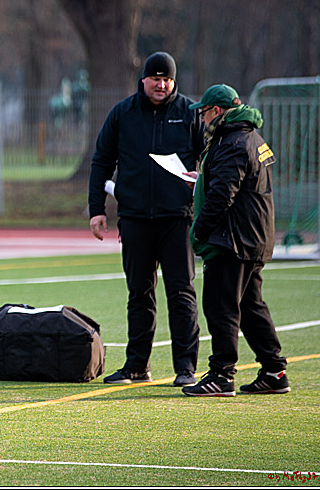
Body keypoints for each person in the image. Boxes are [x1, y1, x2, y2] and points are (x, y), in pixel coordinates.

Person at [88, 51, 203, 387]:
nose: (161, 84)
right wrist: (97, 208)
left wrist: (200, 178)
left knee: (181, 292)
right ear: (144, 80)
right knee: (139, 293)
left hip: (176, 218)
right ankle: (137, 365)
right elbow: (101, 161)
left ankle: (185, 368)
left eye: (167, 79)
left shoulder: (189, 113)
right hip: (135, 217)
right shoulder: (123, 113)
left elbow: (210, 156)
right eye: (155, 78)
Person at [182, 84, 289, 397]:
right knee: (251, 306)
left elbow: (223, 193)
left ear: (216, 111)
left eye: (203, 113)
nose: (201, 120)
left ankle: (221, 374)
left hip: (233, 239)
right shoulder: (251, 137)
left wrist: (199, 229)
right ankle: (274, 370)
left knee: (220, 306)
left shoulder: (232, 141)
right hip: (252, 236)